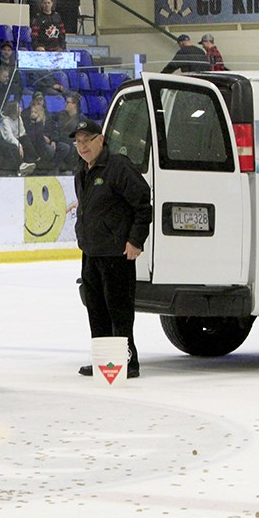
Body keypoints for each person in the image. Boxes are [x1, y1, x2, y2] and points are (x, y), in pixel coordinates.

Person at [73, 118, 152, 380]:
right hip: (91, 253)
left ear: (101, 139)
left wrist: (136, 240)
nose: (82, 146)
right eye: (78, 141)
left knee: (119, 310)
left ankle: (128, 361)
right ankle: (104, 360)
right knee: (96, 309)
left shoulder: (118, 166)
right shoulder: (82, 172)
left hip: (116, 254)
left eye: (87, 140)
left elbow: (142, 202)